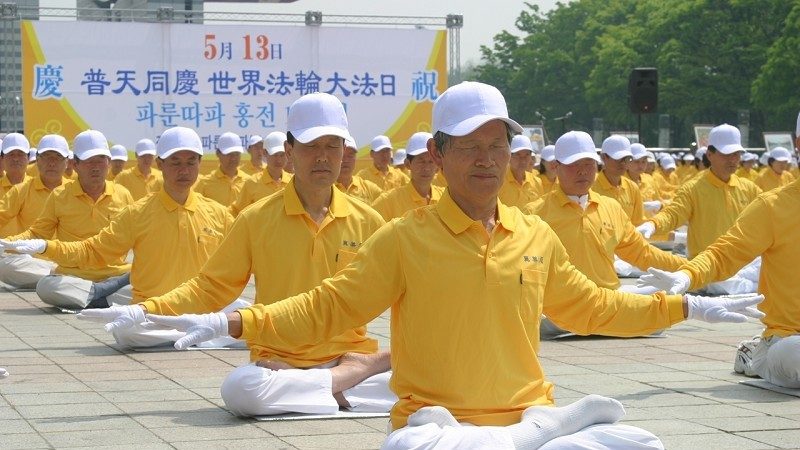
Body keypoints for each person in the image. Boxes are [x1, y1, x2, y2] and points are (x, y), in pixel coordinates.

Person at [144, 82, 763, 450]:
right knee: (421, 442)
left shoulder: (536, 234)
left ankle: (526, 435)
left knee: (645, 444)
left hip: (526, 409)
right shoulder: (402, 239)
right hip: (434, 427)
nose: (489, 159)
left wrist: (686, 305)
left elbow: (595, 305)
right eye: (471, 146)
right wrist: (234, 324)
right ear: (439, 156)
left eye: (499, 144)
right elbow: (327, 305)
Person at [80, 93, 394, 415]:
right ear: (289, 151)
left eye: (333, 146)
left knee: (425, 382)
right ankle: (340, 386)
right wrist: (145, 309)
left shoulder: (368, 221)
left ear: (345, 151)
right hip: (279, 360)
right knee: (242, 390)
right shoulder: (256, 219)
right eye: (311, 146)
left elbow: (398, 292)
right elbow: (210, 287)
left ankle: (322, 384)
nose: (323, 157)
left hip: (349, 352)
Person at [4, 127, 235, 347]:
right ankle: (203, 335)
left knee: (250, 315)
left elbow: (246, 257)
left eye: (190, 162)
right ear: (160, 164)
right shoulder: (138, 213)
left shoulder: (218, 214)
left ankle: (201, 330)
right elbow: (93, 250)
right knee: (125, 331)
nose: (183, 170)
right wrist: (45, 246)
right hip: (153, 308)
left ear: (200, 163)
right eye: (175, 162)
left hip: (197, 305)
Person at [638, 175, 800, 388]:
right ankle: (757, 356)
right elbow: (724, 253)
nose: (732, 159)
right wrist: (687, 274)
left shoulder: (748, 187)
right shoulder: (774, 206)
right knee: (794, 352)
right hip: (789, 338)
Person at [524, 131, 685, 293]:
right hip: (561, 311)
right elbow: (525, 269)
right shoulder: (534, 214)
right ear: (556, 167)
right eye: (573, 164)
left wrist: (691, 268)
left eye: (588, 163)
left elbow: (642, 253)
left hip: (608, 306)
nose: (582, 171)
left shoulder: (611, 208)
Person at [0, 130, 134, 309]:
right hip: (73, 273)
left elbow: (139, 238)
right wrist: (7, 243)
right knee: (46, 287)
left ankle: (91, 295)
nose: (95, 167)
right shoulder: (60, 195)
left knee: (152, 284)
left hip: (114, 273)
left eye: (100, 160)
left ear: (108, 163)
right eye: (88, 161)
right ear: (75, 164)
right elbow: (37, 233)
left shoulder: (123, 194)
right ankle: (104, 297)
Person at [636, 124, 762, 258]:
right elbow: (673, 214)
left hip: (740, 266)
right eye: (726, 154)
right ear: (709, 154)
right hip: (704, 270)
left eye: (736, 154)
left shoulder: (749, 189)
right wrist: (653, 224)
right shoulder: (693, 189)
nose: (732, 160)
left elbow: (770, 208)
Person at [373, 132, 444, 220]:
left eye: (431, 161)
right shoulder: (387, 202)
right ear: (407, 164)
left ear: (438, 165)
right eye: (421, 161)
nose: (426, 168)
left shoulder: (445, 197)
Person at [229, 131, 292, 216]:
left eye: (282, 155)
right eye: (275, 155)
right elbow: (236, 211)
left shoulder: (294, 182)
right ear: (265, 153)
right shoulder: (252, 183)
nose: (279, 160)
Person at [592, 135, 645, 225]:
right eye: (618, 159)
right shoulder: (590, 186)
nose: (623, 163)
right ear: (603, 157)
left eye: (627, 159)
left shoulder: (632, 188)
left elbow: (638, 224)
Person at [194, 132, 251, 207]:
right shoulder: (205, 183)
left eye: (237, 154)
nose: (233, 158)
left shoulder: (249, 181)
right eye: (229, 154)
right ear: (218, 153)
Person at [497, 135, 542, 209]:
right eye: (518, 155)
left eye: (527, 155)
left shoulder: (537, 182)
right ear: (509, 156)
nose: (523, 161)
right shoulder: (499, 181)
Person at [0, 133, 32, 237]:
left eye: (20, 154)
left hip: (33, 251)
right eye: (11, 154)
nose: (16, 159)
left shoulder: (39, 188)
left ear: (28, 158)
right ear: (2, 158)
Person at [335, 137, 384, 204]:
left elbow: (388, 202)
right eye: (342, 155)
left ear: (355, 158)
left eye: (350, 155)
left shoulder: (368, 188)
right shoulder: (324, 189)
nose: (345, 160)